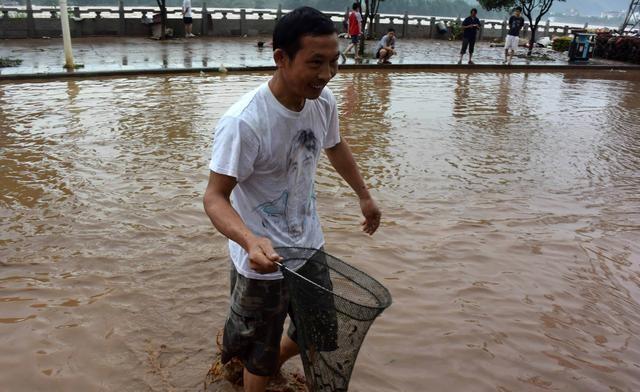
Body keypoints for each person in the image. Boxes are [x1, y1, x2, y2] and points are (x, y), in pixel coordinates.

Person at [203, 6, 381, 392]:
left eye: (334, 62)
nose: (326, 74)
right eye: (315, 62)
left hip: (309, 246)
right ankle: (255, 373)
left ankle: (265, 369)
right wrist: (250, 241)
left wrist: (364, 195)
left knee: (317, 330)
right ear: (280, 58)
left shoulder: (322, 101)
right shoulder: (245, 122)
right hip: (261, 260)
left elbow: (335, 145)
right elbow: (215, 198)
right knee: (259, 352)